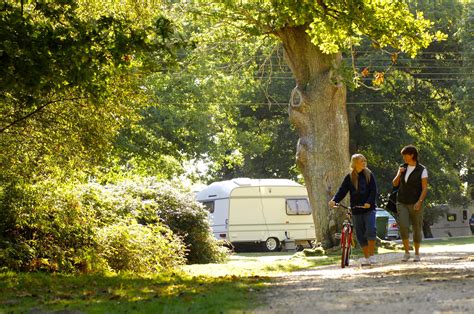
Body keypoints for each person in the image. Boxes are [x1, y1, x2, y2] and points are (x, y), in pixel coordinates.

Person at [329, 154, 378, 266]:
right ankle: (366, 257)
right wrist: (334, 200)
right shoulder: (349, 177)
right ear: (355, 163)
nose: (364, 162)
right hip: (356, 210)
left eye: (365, 160)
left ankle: (372, 256)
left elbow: (373, 191)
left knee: (371, 230)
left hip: (369, 209)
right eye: (361, 161)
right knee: (360, 235)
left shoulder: (369, 175)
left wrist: (369, 203)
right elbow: (342, 191)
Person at [392, 145, 428, 262]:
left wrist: (419, 202)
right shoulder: (402, 167)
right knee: (403, 226)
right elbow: (395, 184)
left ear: (412, 155)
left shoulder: (422, 170)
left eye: (405, 155)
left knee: (417, 228)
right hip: (401, 201)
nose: (403, 157)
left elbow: (424, 188)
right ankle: (407, 252)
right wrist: (399, 173)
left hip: (416, 203)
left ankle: (417, 253)